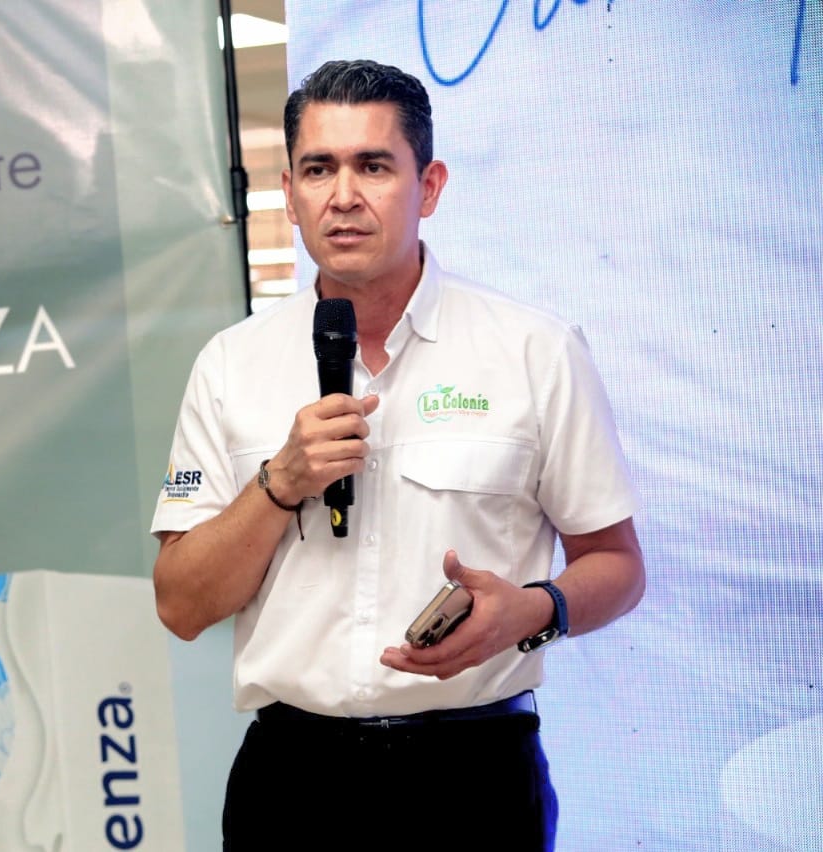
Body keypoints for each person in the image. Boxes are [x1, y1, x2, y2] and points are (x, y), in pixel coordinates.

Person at [150, 59, 645, 850]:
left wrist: (534, 611)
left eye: (373, 166)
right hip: (292, 782)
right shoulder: (230, 364)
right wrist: (278, 485)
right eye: (319, 169)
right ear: (290, 193)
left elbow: (617, 565)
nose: (343, 195)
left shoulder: (534, 351)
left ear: (430, 186)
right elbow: (181, 605)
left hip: (476, 777)